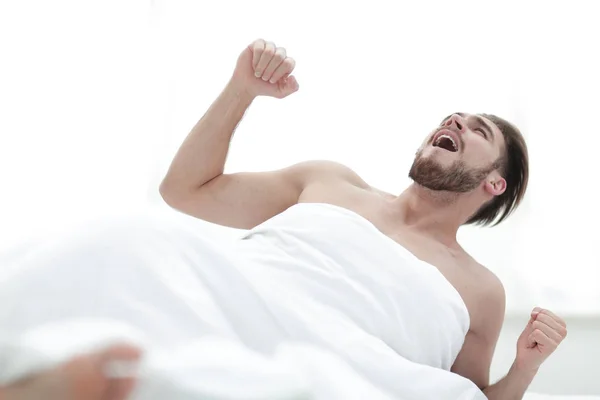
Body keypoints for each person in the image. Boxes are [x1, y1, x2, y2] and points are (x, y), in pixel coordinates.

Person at [0, 39, 567, 400]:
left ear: (494, 183)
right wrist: (241, 91)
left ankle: (105, 379)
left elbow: (467, 397)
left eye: (478, 131)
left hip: (344, 357)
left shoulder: (480, 289)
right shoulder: (330, 180)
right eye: (454, 118)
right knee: (122, 237)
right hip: (232, 294)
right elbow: (184, 191)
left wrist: (524, 368)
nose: (455, 123)